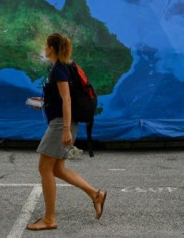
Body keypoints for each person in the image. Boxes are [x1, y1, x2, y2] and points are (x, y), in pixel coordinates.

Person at [26, 33, 107, 231]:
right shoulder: (59, 68)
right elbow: (58, 98)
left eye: (46, 45)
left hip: (61, 124)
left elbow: (67, 99)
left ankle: (49, 219)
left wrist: (65, 130)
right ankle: (95, 194)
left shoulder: (60, 69)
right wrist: (42, 101)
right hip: (61, 122)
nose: (44, 48)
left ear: (51, 48)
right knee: (58, 169)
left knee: (44, 169)